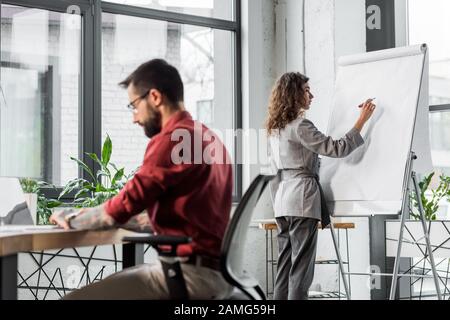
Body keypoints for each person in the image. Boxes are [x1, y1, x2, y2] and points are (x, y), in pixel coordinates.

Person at [50, 59, 234, 300]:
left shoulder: (172, 140)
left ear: (155, 97)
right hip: (217, 274)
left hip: (187, 276)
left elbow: (123, 205)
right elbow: (187, 215)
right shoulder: (208, 137)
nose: (134, 118)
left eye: (134, 106)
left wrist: (70, 218)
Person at [265, 72, 376, 300]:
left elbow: (273, 172)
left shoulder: (275, 130)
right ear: (294, 94)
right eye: (306, 90)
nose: (312, 95)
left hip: (282, 203)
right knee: (301, 272)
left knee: (284, 268)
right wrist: (361, 121)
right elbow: (336, 148)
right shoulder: (300, 125)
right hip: (302, 201)